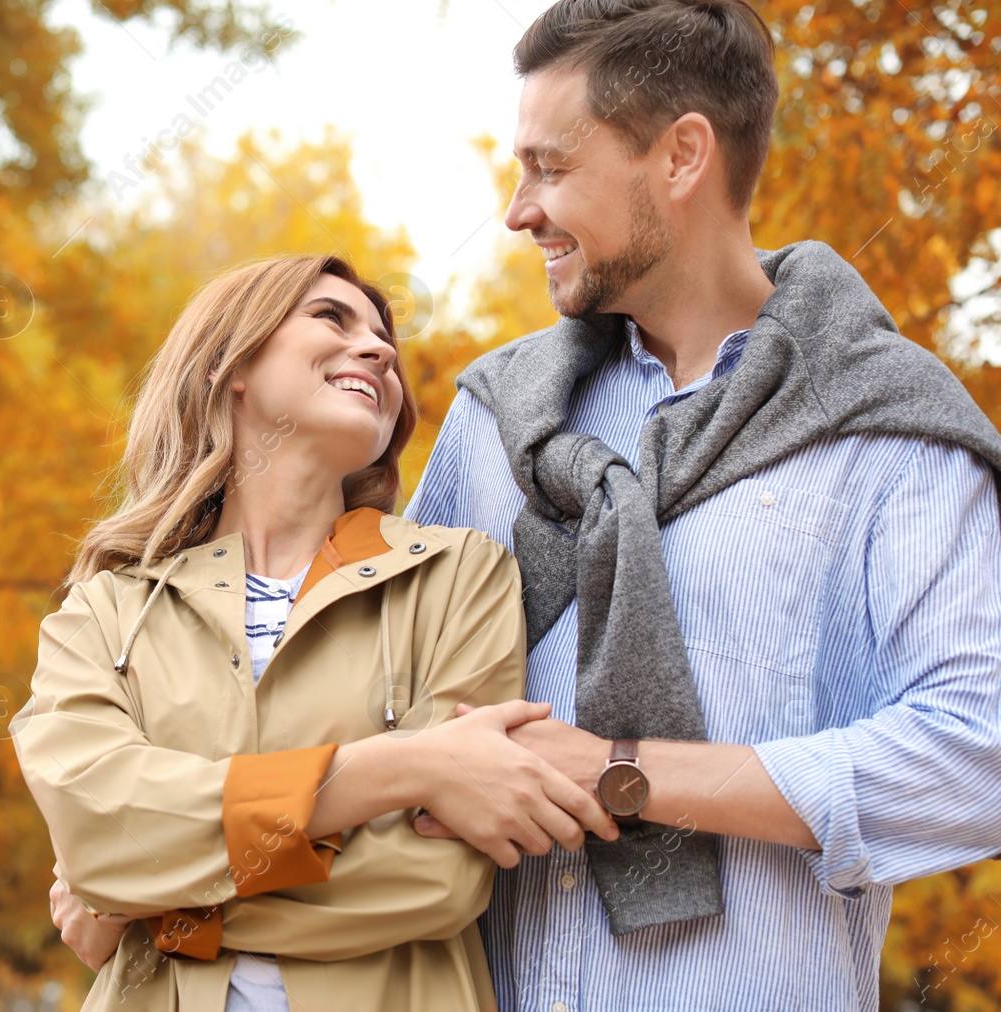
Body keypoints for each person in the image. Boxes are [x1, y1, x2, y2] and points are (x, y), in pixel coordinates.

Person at [404, 0, 1001, 1007]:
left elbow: (978, 748)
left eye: (550, 168)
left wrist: (622, 773)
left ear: (681, 157)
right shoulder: (492, 422)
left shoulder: (887, 431)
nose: (517, 210)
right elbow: (359, 679)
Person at [10, 254, 616, 1011]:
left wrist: (149, 900)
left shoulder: (462, 576)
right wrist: (405, 767)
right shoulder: (102, 615)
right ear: (230, 365)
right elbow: (99, 834)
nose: (380, 349)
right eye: (332, 318)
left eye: (382, 335)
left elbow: (435, 880)